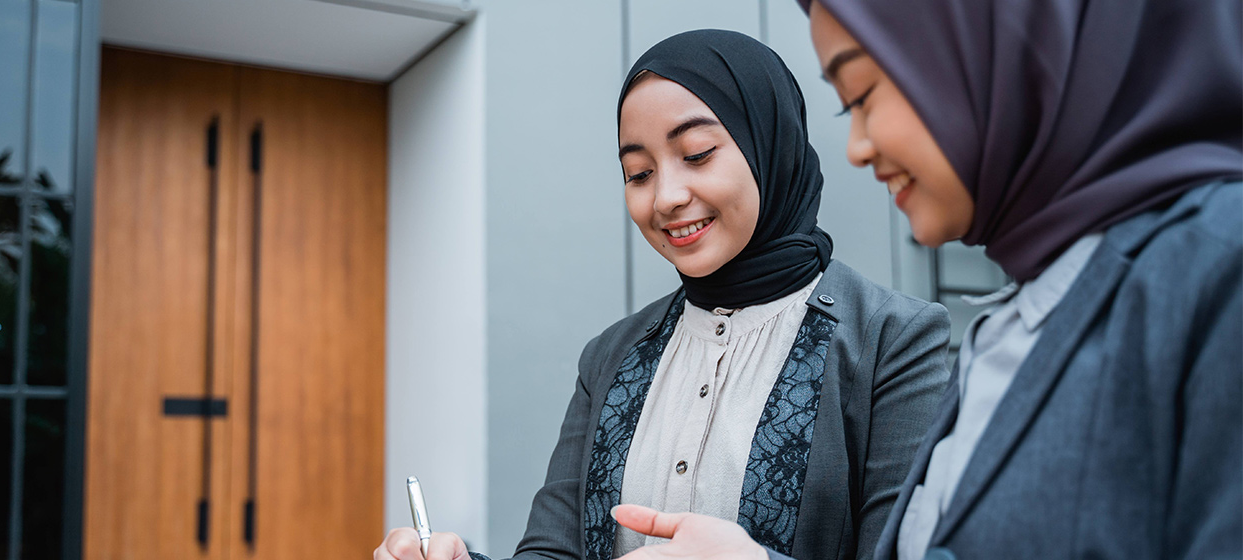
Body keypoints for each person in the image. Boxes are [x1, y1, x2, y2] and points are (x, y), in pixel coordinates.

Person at [610, 1, 1243, 558]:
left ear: (1002, 59)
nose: (855, 145)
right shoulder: (1016, 319)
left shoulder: (1214, 270)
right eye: (636, 173)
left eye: (865, 95)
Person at [373, 30, 952, 560]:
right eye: (638, 173)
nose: (666, 197)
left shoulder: (892, 340)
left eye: (697, 154)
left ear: (770, 143)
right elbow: (552, 553)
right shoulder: (612, 356)